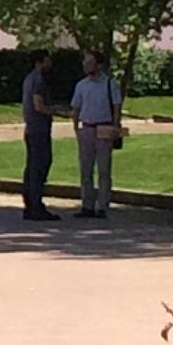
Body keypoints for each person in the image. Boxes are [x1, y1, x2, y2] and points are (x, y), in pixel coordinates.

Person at [70, 48, 123, 218]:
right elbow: (76, 107)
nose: (87, 66)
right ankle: (87, 205)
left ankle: (103, 206)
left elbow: (116, 107)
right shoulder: (81, 85)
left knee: (104, 169)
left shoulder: (110, 84)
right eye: (85, 62)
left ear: (99, 65)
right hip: (86, 128)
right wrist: (76, 128)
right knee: (85, 169)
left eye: (90, 62)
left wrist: (115, 128)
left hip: (104, 128)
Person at [18, 50, 60, 222]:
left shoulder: (28, 79)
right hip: (39, 129)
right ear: (39, 62)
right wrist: (56, 111)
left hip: (31, 128)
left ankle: (30, 204)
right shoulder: (38, 80)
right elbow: (38, 105)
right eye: (47, 61)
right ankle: (36, 205)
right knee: (40, 165)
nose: (49, 65)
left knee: (32, 166)